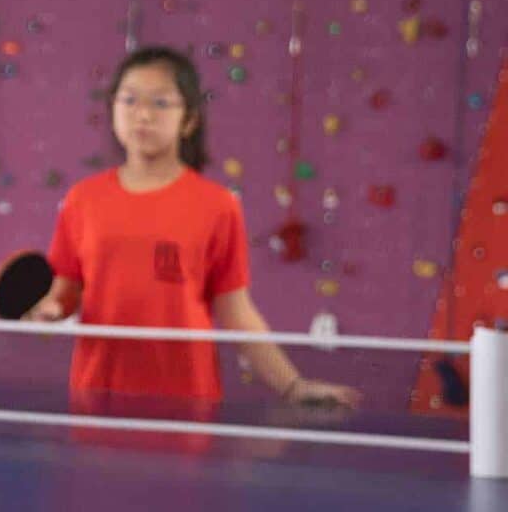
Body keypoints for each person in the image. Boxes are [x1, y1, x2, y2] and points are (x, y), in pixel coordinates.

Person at [27, 46, 359, 408]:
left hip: (186, 397)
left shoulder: (217, 205)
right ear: (112, 111)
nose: (142, 115)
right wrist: (48, 309)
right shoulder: (82, 199)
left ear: (189, 120)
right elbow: (65, 292)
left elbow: (236, 310)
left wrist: (293, 386)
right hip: (98, 394)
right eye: (130, 100)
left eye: (160, 103)